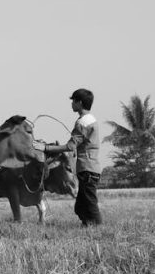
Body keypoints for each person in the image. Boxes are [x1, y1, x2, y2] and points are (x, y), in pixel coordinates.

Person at [34, 88, 102, 226]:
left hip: (87, 168)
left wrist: (46, 148)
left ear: (80, 103)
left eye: (73, 101)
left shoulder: (82, 123)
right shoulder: (92, 120)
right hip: (91, 167)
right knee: (80, 206)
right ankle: (87, 226)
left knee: (90, 204)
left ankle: (98, 229)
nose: (71, 104)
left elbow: (71, 146)